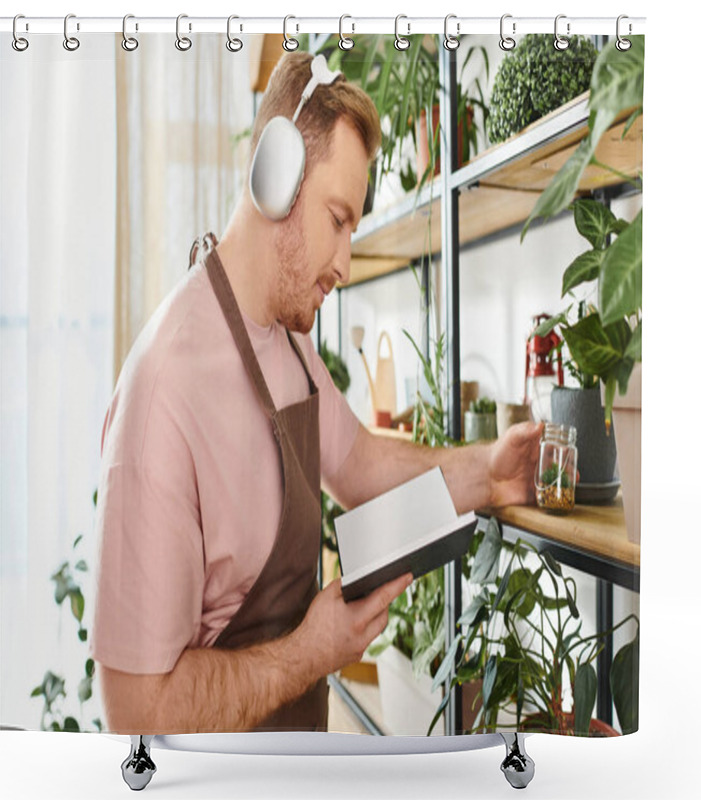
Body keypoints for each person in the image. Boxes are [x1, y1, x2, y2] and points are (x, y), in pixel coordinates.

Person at [91, 51, 542, 735]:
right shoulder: (164, 392)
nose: (345, 263)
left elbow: (359, 465)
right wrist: (314, 650)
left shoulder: (289, 337)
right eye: (338, 219)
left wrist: (488, 473)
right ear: (276, 179)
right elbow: (136, 709)